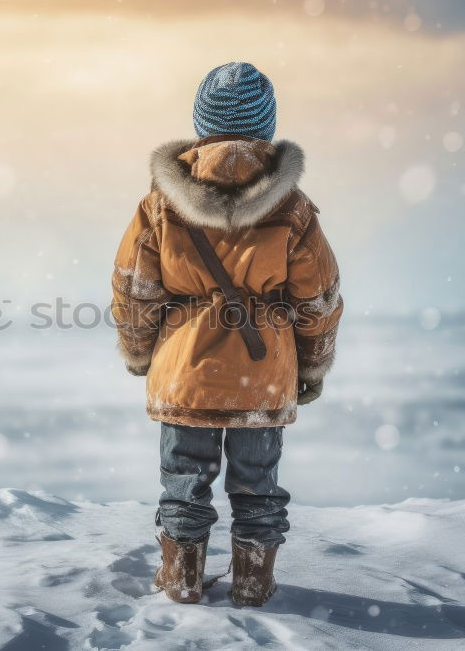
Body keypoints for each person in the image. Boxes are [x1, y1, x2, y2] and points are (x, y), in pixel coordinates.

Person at [111, 62, 342, 606]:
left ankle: (181, 583)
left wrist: (141, 354)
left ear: (201, 124)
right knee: (258, 490)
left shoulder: (161, 203)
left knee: (183, 488)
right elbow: (319, 302)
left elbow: (134, 291)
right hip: (262, 376)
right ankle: (254, 586)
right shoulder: (294, 208)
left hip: (185, 373)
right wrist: (309, 367)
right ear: (266, 127)